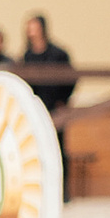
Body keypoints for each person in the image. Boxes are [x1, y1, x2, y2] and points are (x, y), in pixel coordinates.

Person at [19, 13, 77, 198]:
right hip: (35, 108)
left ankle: (62, 191)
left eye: (34, 26)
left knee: (58, 148)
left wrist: (63, 100)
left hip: (56, 107)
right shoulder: (27, 56)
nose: (31, 31)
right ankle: (39, 190)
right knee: (35, 149)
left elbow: (71, 78)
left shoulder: (58, 54)